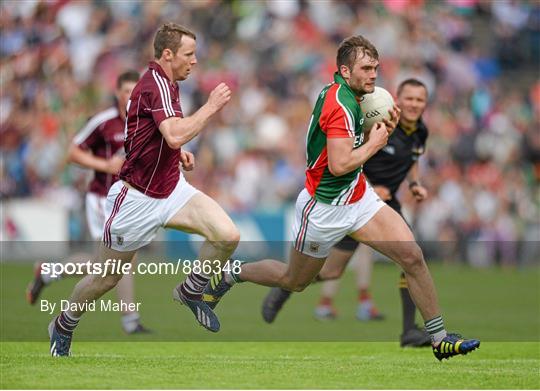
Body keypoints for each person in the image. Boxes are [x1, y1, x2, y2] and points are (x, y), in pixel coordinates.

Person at [203, 35, 480, 361]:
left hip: (357, 197)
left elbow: (349, 155)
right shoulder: (341, 105)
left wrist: (377, 132)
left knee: (412, 256)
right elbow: (339, 164)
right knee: (293, 281)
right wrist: (377, 141)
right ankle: (231, 273)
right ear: (345, 71)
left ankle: (439, 338)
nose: (374, 75)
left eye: (375, 68)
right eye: (366, 68)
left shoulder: (349, 95)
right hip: (323, 209)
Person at [48, 22, 239, 356]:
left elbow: (159, 136)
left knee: (227, 235)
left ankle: (191, 291)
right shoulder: (154, 85)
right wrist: (210, 107)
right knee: (104, 279)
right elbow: (175, 133)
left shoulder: (168, 83)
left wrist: (177, 154)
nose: (195, 61)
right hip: (136, 198)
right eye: (189, 54)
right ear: (167, 54)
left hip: (172, 189)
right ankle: (63, 323)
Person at [262, 79, 433, 348]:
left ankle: (410, 329)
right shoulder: (379, 125)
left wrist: (414, 184)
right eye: (409, 98)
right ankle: (287, 284)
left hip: (385, 205)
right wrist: (371, 186)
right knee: (331, 272)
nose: (414, 104)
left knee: (411, 259)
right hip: (354, 200)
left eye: (420, 100)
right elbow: (349, 158)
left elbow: (413, 159)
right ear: (395, 99)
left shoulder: (420, 131)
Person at [26, 70, 149, 334]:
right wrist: (105, 164)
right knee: (116, 260)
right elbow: (72, 152)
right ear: (117, 93)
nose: (130, 97)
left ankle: (49, 271)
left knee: (118, 260)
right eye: (126, 91)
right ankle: (130, 320)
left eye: (134, 92)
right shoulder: (104, 122)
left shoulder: (142, 122)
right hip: (101, 198)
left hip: (128, 201)